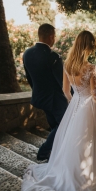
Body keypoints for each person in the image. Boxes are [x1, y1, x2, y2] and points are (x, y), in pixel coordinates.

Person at [21, 30, 96, 191]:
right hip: (90, 108)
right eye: (92, 48)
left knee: (75, 143)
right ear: (88, 47)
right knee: (92, 142)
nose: (92, 51)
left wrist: (75, 103)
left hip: (76, 106)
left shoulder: (67, 65)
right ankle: (90, 176)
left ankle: (75, 172)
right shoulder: (91, 69)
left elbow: (66, 91)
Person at [23, 23, 68, 161]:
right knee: (64, 125)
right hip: (55, 99)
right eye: (54, 37)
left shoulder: (27, 53)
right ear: (50, 37)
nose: (54, 40)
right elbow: (62, 82)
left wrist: (38, 91)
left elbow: (29, 78)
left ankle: (56, 152)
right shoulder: (53, 56)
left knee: (55, 125)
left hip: (40, 97)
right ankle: (44, 151)